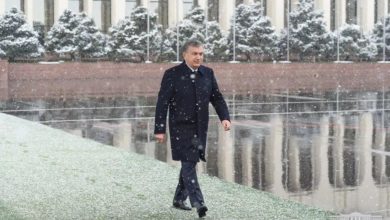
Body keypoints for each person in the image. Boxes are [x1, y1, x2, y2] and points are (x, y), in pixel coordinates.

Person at [154, 40, 231, 218]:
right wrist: (160, 129)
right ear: (185, 55)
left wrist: (225, 117)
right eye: (194, 53)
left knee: (191, 162)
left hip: (200, 128)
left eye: (201, 54)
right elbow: (162, 103)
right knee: (189, 163)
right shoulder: (172, 74)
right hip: (180, 127)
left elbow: (217, 98)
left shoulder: (208, 74)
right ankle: (199, 202)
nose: (198, 57)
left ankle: (179, 198)